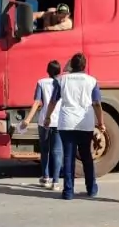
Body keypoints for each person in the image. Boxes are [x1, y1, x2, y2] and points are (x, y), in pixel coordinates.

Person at [44, 52, 106, 201]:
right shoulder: (92, 81)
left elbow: (53, 101)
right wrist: (101, 122)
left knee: (68, 157)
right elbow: (97, 104)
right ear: (84, 66)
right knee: (86, 157)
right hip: (85, 124)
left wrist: (47, 117)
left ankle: (68, 192)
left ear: (71, 65)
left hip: (67, 123)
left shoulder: (62, 80)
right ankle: (91, 189)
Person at [21, 60, 63, 190]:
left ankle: (45, 177)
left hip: (44, 120)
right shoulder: (62, 82)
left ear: (47, 71)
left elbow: (37, 102)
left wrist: (27, 120)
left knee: (45, 150)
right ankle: (56, 182)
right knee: (57, 151)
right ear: (59, 71)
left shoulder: (41, 82)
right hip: (59, 120)